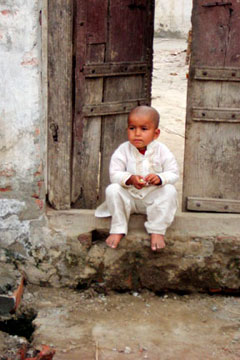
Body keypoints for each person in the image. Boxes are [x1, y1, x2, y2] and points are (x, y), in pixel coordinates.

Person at [95, 105, 179, 251]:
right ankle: (118, 228)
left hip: (152, 199)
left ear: (156, 133)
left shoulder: (162, 150)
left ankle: (157, 231)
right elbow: (114, 174)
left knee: (170, 191)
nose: (137, 134)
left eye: (144, 129)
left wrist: (160, 178)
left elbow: (173, 173)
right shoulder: (123, 150)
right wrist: (130, 178)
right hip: (130, 199)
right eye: (132, 128)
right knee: (113, 189)